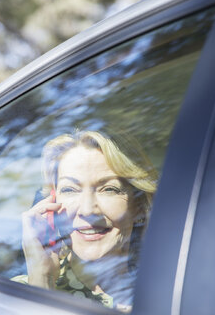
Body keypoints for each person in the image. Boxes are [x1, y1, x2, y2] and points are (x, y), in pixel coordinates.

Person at [13, 130, 157, 312]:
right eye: (70, 190)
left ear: (138, 207)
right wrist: (42, 279)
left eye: (109, 189)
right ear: (51, 203)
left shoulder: (174, 288)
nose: (88, 210)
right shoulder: (16, 293)